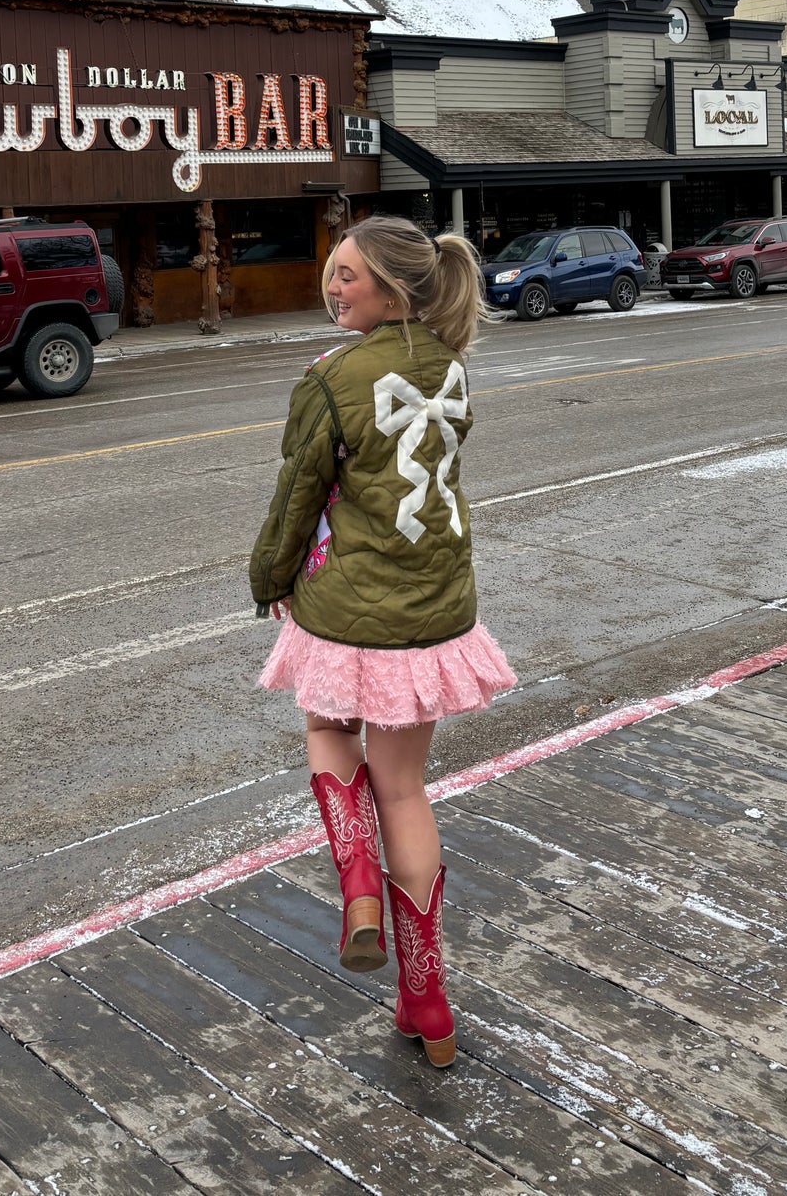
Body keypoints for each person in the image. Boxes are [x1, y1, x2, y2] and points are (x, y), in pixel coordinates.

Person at [251, 215, 515, 1068]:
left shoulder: (332, 376)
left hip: (352, 606)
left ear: (392, 288)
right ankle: (427, 1001)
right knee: (405, 790)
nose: (334, 287)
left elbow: (297, 495)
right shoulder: (452, 367)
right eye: (330, 272)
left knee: (328, 729)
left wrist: (269, 580)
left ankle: (355, 879)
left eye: (348, 276)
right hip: (435, 607)